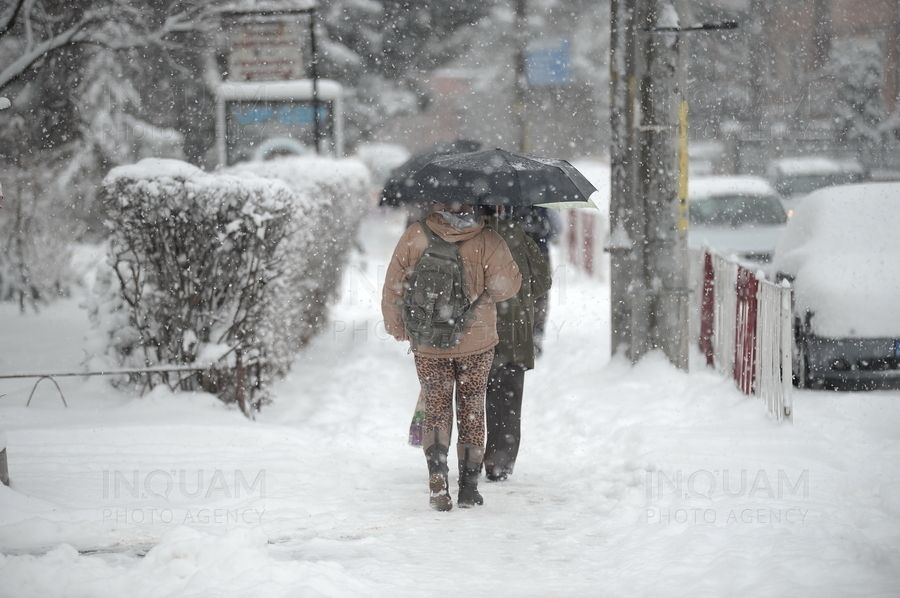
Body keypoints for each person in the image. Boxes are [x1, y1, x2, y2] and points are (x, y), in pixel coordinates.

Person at [382, 202, 521, 511]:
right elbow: (506, 290)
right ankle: (469, 487)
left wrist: (398, 327)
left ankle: (437, 476)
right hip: (477, 342)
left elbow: (394, 286)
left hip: (429, 341)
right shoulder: (488, 239)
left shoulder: (415, 235)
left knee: (436, 405)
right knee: (472, 407)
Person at [483, 207, 552, 481]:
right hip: (515, 330)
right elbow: (543, 282)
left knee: (477, 396)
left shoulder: (474, 237)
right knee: (510, 398)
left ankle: (474, 455)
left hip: (481, 331)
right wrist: (521, 297)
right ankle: (501, 461)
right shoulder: (519, 236)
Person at [509, 206, 560, 356]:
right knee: (540, 295)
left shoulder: (507, 199)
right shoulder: (544, 200)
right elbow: (557, 228)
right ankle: (536, 334)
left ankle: (517, 336)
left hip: (513, 251)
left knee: (515, 293)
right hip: (540, 252)